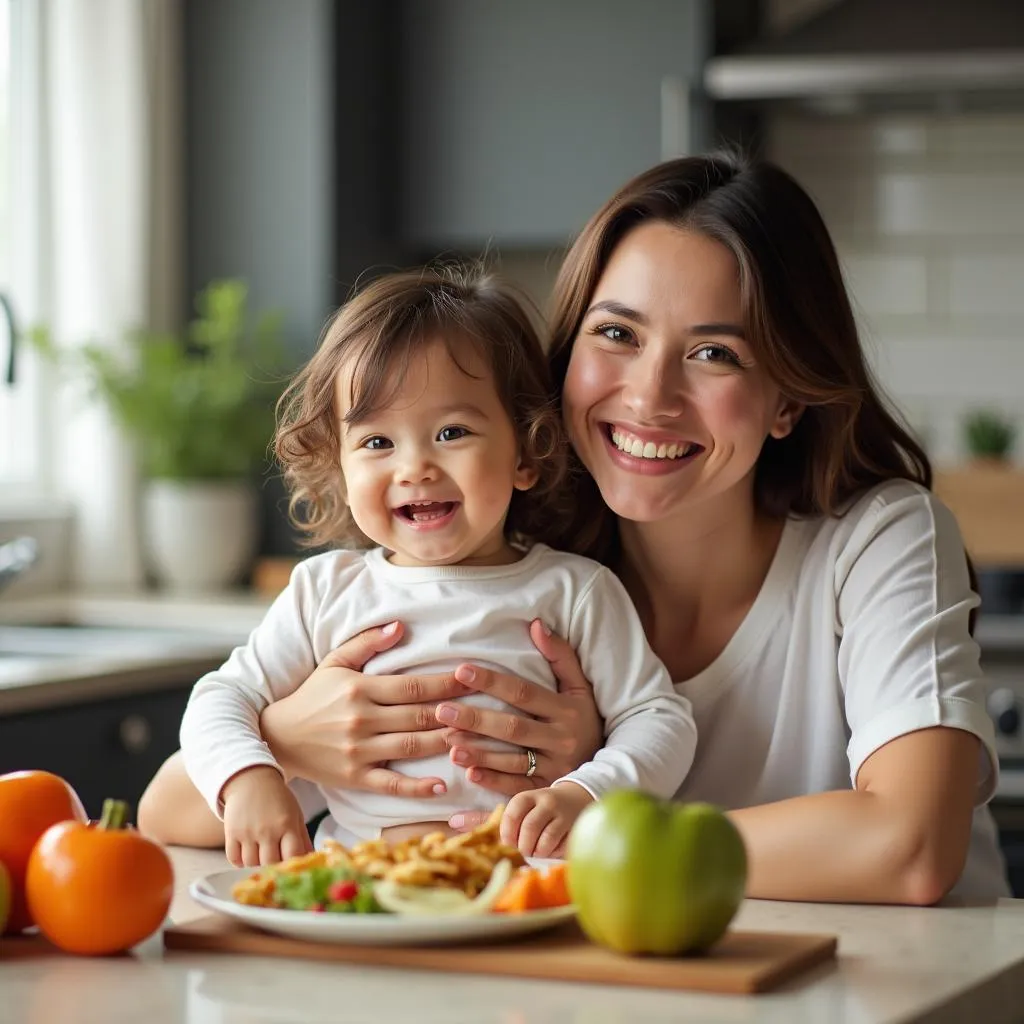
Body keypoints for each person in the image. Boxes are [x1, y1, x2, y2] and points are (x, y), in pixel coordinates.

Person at [140, 150, 1007, 903]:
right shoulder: (506, 562)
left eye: (715, 353)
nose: (649, 395)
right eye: (617, 334)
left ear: (788, 397)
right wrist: (293, 742)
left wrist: (589, 823)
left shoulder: (881, 539)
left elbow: (911, 849)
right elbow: (165, 813)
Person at [172, 266, 697, 868]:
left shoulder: (573, 591)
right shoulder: (324, 591)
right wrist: (248, 777)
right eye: (377, 443)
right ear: (338, 467)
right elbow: (222, 697)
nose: (414, 467)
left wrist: (586, 794)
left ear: (526, 452)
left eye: (452, 432)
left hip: (523, 887)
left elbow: (659, 720)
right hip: (357, 887)